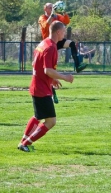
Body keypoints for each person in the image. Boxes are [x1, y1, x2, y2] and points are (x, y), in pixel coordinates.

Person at [18, 21, 74, 152]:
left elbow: (35, 64)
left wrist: (52, 79)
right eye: (64, 31)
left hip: (38, 86)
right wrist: (65, 77)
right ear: (58, 32)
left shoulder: (43, 43)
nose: (64, 34)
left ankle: (23, 142)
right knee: (51, 121)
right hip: (41, 89)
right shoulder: (51, 47)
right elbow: (47, 70)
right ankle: (25, 144)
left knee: (38, 116)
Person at [38, 2, 87, 73]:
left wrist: (64, 12)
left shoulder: (57, 16)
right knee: (51, 63)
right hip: (49, 43)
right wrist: (52, 15)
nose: (52, 9)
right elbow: (46, 26)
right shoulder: (42, 17)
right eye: (50, 8)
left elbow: (67, 21)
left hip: (58, 40)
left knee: (72, 44)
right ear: (45, 9)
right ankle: (47, 75)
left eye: (53, 7)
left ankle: (78, 66)